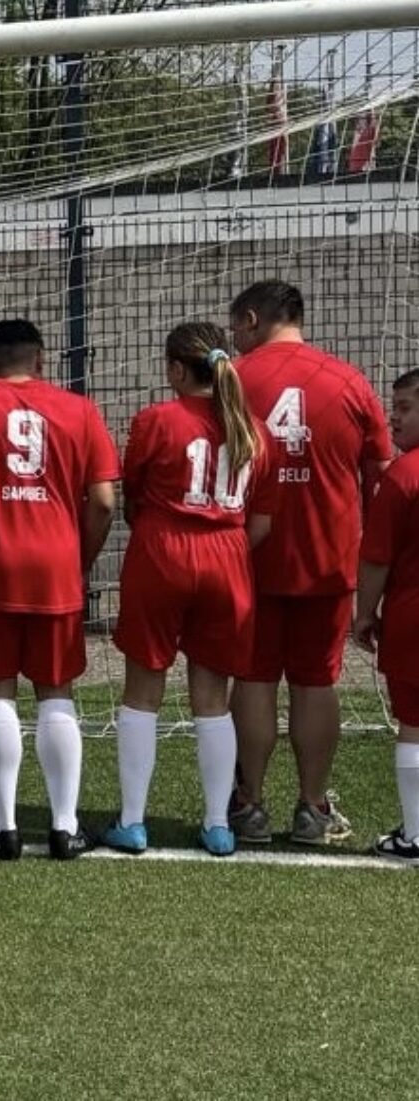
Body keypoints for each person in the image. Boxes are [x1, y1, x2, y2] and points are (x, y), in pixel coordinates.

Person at [0, 319, 118, 861]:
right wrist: (78, 560)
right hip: (55, 567)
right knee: (56, 691)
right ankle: (63, 826)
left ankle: (5, 827)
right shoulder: (80, 410)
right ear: (41, 360)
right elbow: (103, 500)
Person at [229, 279, 392, 845]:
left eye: (236, 327)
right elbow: (382, 477)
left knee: (251, 678)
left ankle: (248, 806)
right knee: (316, 681)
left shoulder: (235, 378)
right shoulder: (348, 380)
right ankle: (312, 807)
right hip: (327, 557)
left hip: (247, 554)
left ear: (252, 319)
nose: (234, 337)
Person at [105, 322, 274, 858]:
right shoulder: (252, 429)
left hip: (163, 551)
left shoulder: (155, 420)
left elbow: (133, 499)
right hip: (227, 556)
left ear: (177, 370)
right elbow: (262, 521)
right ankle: (216, 825)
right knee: (212, 698)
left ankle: (133, 822)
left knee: (142, 689)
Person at [351, 367, 419, 864]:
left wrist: (363, 613)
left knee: (414, 723)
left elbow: (375, 558)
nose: (393, 420)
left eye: (404, 408)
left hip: (412, 617)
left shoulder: (403, 475)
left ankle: (415, 837)